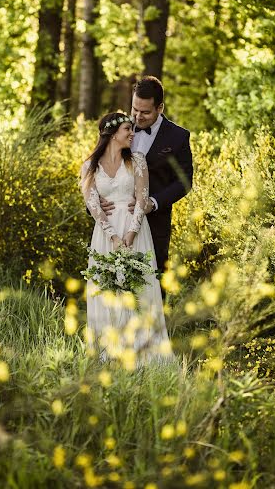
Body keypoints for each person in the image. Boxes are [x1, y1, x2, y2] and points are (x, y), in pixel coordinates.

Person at [80, 112, 174, 365]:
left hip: (136, 231)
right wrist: (112, 237)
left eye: (132, 130)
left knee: (139, 289)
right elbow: (94, 206)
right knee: (106, 289)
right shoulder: (89, 166)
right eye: (126, 130)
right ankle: (109, 353)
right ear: (112, 134)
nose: (132, 134)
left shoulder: (137, 161)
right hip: (106, 236)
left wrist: (130, 234)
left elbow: (142, 200)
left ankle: (144, 354)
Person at [100, 76, 193, 275]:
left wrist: (153, 202)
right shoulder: (117, 128)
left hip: (154, 224)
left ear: (160, 108)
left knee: (153, 281)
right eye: (134, 109)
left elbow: (184, 181)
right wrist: (95, 202)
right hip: (114, 222)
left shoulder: (178, 137)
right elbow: (97, 167)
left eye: (145, 112)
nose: (138, 117)